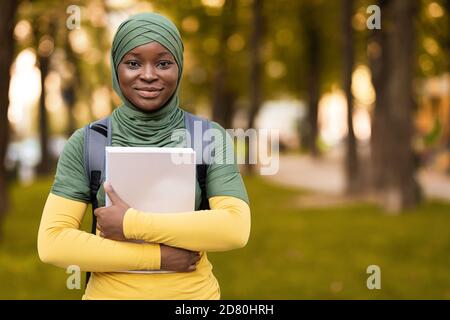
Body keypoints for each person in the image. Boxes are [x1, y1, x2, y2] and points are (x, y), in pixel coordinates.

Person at [37, 12, 251, 300]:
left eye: (163, 63)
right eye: (133, 63)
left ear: (180, 67)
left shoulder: (207, 137)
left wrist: (130, 223)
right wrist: (158, 258)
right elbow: (52, 243)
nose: (149, 75)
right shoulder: (87, 142)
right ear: (116, 68)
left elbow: (235, 229)